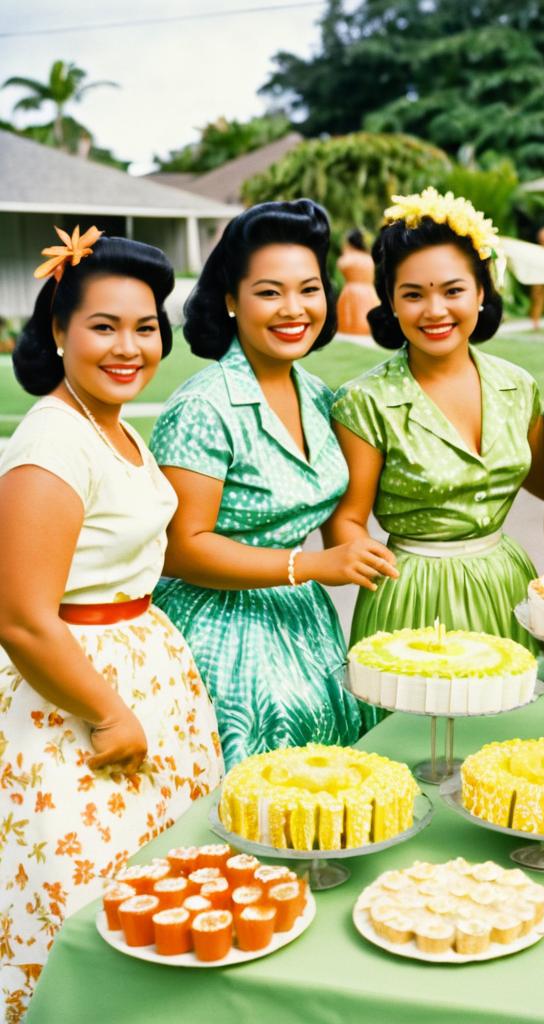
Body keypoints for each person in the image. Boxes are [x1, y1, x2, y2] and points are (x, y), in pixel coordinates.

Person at [0, 229, 222, 1018]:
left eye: (145, 326)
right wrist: (109, 713)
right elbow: (23, 619)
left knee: (159, 898)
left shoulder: (112, 423)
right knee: (84, 905)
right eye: (103, 326)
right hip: (75, 702)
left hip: (138, 673)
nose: (129, 346)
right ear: (58, 331)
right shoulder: (51, 444)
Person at [149, 200, 393, 769]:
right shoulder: (203, 406)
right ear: (231, 301)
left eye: (309, 289)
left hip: (304, 620)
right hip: (217, 634)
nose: (294, 309)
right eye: (269, 292)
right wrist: (309, 567)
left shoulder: (318, 394)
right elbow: (180, 548)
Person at [330, 187, 544, 650]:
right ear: (389, 300)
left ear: (482, 291)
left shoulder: (518, 387)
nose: (435, 311)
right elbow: (347, 521)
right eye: (413, 294)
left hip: (507, 586)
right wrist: (362, 555)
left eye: (453, 291)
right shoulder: (365, 402)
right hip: (412, 596)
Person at [335, 228, 377, 336]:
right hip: (370, 293)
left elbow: (341, 264)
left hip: (352, 292)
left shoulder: (349, 257)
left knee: (350, 326)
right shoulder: (369, 257)